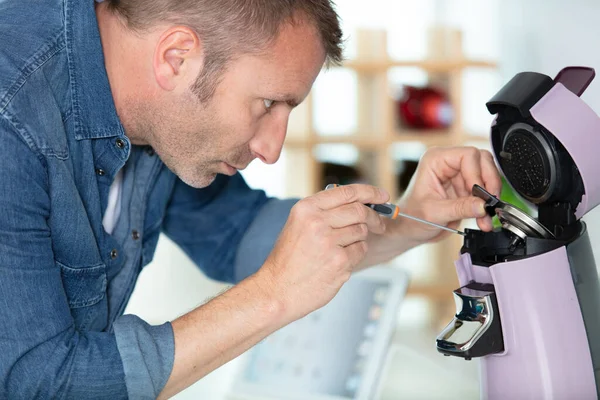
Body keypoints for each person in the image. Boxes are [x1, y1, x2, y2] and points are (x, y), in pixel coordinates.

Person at [0, 0, 501, 398]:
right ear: (177, 58)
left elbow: (235, 232)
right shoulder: (12, 114)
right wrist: (274, 293)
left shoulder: (158, 118)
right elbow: (41, 382)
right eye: (268, 105)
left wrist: (408, 221)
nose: (271, 148)